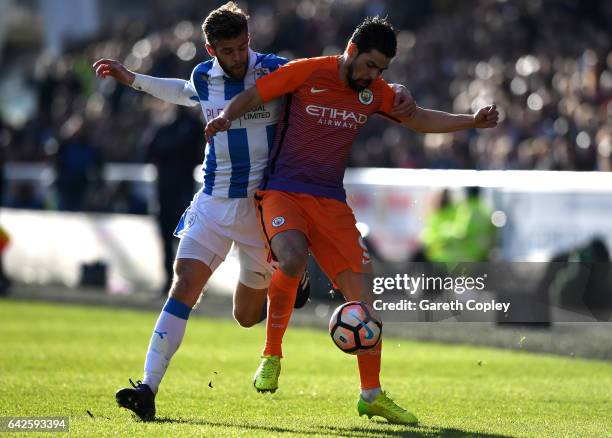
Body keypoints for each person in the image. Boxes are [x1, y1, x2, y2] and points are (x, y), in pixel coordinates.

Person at [93, 3, 416, 422]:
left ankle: (286, 278)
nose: (239, 57)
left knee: (246, 317)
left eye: (243, 47)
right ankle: (148, 387)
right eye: (228, 51)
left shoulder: (275, 72)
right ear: (210, 50)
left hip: (262, 207)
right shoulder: (202, 77)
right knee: (185, 282)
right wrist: (132, 78)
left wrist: (399, 88)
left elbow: (340, 77)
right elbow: (180, 92)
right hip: (212, 200)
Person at [206, 16, 499, 424]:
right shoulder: (308, 71)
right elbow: (256, 95)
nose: (373, 75)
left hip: (331, 202)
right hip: (283, 191)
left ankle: (371, 395)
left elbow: (420, 121)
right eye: (370, 65)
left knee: (364, 298)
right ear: (351, 51)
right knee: (291, 257)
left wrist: (472, 121)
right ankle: (271, 355)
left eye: (381, 70)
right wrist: (224, 118)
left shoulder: (374, 92)